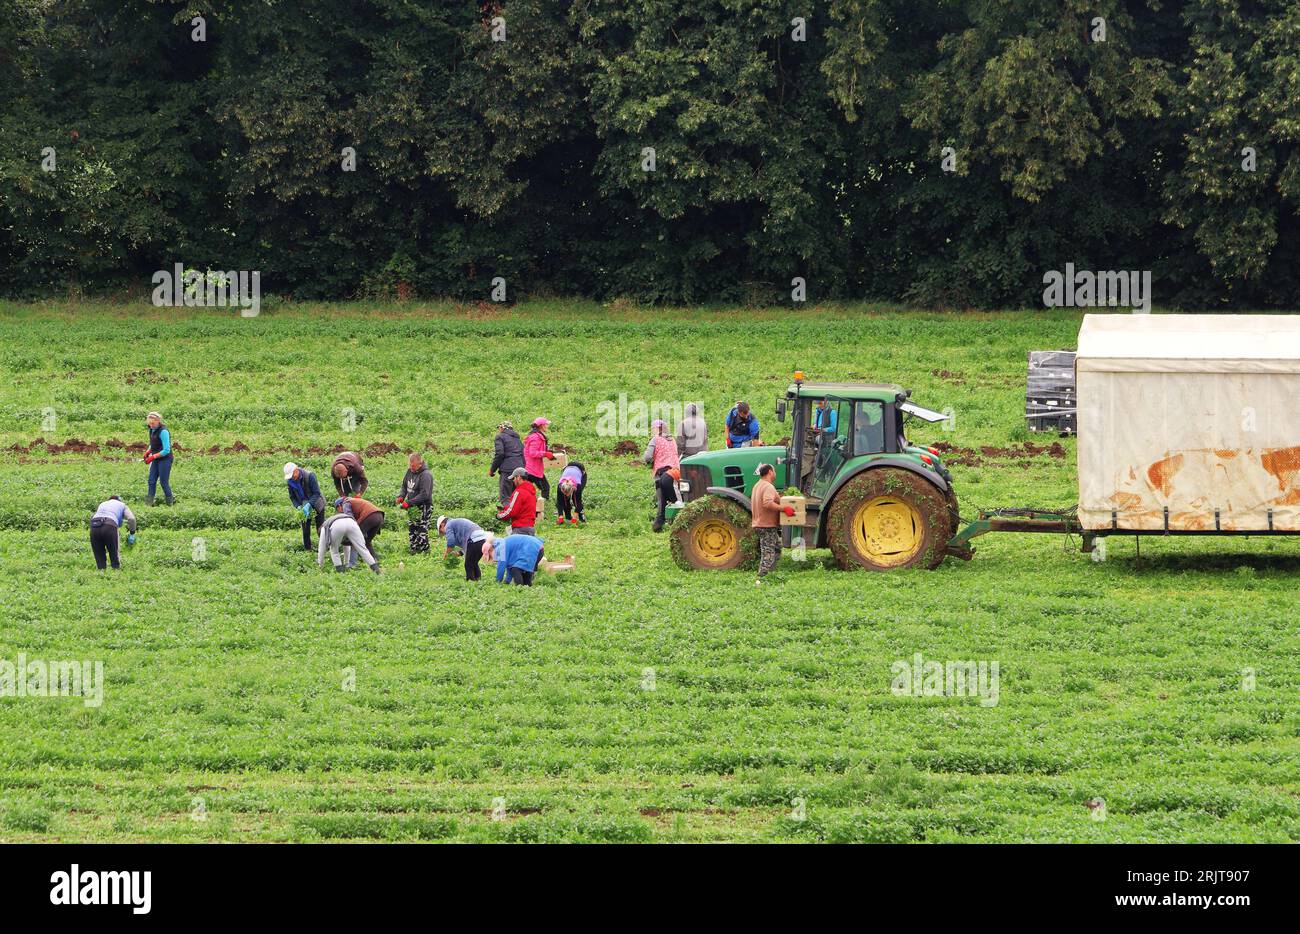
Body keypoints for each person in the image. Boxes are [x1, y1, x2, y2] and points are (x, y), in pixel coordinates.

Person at [751, 463, 795, 583]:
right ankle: (762, 578)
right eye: (774, 471)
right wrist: (784, 509)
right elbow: (767, 503)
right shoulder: (768, 487)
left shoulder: (758, 485)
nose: (775, 474)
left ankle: (771, 573)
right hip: (766, 525)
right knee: (768, 553)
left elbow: (775, 499)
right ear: (770, 472)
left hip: (760, 524)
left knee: (776, 548)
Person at [645, 419, 681, 532]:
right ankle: (666, 523)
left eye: (653, 428)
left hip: (662, 472)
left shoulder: (655, 439)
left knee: (662, 500)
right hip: (675, 472)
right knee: (675, 499)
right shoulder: (672, 440)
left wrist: (651, 462)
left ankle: (659, 524)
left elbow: (647, 457)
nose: (652, 431)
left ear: (657, 429)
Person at [396, 453, 434, 553]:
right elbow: (404, 486)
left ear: (420, 463)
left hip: (424, 506)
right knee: (412, 528)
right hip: (413, 507)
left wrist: (408, 503)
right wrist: (401, 496)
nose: (411, 467)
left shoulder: (425, 475)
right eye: (410, 465)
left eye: (413, 465)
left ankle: (423, 550)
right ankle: (414, 549)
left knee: (422, 529)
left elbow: (424, 494)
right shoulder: (409, 471)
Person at [284, 462, 326, 550]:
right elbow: (292, 497)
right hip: (303, 506)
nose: (292, 478)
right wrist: (298, 506)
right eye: (290, 476)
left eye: (293, 475)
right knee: (305, 530)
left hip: (317, 503)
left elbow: (316, 493)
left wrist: (309, 504)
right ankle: (308, 550)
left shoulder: (309, 476)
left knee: (320, 529)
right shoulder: (290, 482)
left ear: (296, 470)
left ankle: (325, 548)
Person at [89, 495, 137, 570]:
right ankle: (116, 572)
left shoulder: (102, 504)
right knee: (114, 552)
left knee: (98, 553)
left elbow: (94, 516)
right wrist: (132, 533)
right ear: (119, 500)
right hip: (110, 525)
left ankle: (102, 573)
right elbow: (131, 519)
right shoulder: (122, 505)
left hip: (94, 526)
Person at [438, 516, 491, 581]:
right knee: (473, 563)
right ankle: (478, 581)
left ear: (442, 525)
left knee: (468, 565)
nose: (444, 534)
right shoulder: (456, 525)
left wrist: (447, 554)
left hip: (474, 538)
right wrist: (460, 553)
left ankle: (471, 583)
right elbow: (467, 544)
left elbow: (451, 542)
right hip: (483, 539)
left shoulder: (449, 525)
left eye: (441, 531)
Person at [489, 421, 526, 508]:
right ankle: (518, 514)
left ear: (502, 428)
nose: (499, 430)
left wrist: (492, 470)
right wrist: (523, 469)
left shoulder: (500, 437)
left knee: (505, 497)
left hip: (508, 469)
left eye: (499, 428)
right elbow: (523, 454)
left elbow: (500, 454)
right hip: (520, 469)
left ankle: (507, 515)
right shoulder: (517, 438)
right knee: (516, 495)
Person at [523, 417, 557, 504]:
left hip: (529, 467)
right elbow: (533, 453)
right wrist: (545, 454)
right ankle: (544, 505)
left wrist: (546, 452)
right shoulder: (536, 437)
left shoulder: (535, 435)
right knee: (545, 488)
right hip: (533, 468)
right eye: (546, 424)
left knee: (526, 489)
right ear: (541, 426)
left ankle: (527, 504)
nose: (547, 426)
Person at [143, 411, 174, 505]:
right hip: (156, 458)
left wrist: (152, 457)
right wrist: (148, 451)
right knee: (151, 481)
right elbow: (153, 443)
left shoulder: (163, 431)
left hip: (165, 459)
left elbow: (166, 450)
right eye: (149, 424)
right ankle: (149, 503)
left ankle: (170, 504)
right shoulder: (152, 429)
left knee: (163, 482)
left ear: (158, 421)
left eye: (153, 423)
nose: (151, 425)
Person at [497, 467, 538, 535]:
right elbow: (523, 508)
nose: (513, 480)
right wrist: (505, 509)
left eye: (513, 478)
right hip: (530, 528)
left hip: (520, 529)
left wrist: (499, 516)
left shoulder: (518, 492)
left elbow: (512, 511)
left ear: (518, 477)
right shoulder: (531, 492)